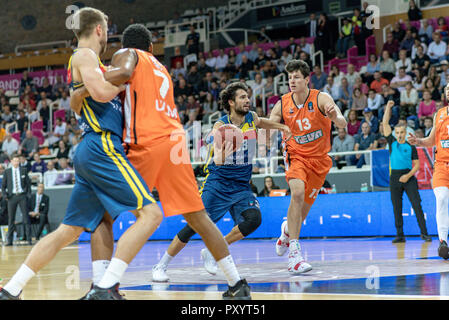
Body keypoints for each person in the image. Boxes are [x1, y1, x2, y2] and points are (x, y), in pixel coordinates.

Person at [69, 23, 252, 300]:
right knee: (198, 217)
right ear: (152, 47)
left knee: (102, 215)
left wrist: (92, 82)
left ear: (126, 46)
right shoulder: (160, 66)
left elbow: (124, 71)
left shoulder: (127, 55)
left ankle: (106, 286)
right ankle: (237, 283)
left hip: (146, 143)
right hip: (175, 144)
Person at [0, 7, 160, 300]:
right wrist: (123, 79)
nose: (108, 33)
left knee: (72, 230)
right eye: (106, 27)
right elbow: (99, 92)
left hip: (91, 149)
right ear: (99, 28)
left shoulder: (94, 63)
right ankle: (104, 287)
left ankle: (11, 288)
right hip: (101, 146)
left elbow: (84, 99)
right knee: (151, 213)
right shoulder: (84, 55)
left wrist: (89, 89)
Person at [151, 82, 290, 281]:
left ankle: (212, 251)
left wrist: (283, 126)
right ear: (231, 102)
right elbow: (217, 160)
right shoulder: (221, 126)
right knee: (194, 226)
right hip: (218, 183)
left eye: (247, 96)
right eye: (242, 97)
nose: (247, 100)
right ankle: (161, 265)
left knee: (253, 220)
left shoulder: (251, 118)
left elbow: (264, 122)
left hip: (241, 186)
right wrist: (226, 146)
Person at [269, 59, 347, 274]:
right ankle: (294, 255)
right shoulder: (282, 103)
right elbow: (270, 124)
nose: (292, 81)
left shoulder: (321, 98)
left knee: (300, 214)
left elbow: (342, 122)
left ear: (306, 79)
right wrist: (267, 135)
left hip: (319, 161)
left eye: (296, 77)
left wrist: (334, 116)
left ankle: (286, 230)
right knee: (297, 193)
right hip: (295, 155)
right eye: (289, 77)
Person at [383, 100, 432, 243]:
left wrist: (407, 176)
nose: (399, 134)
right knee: (396, 207)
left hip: (409, 177)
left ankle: (424, 233)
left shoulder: (411, 146)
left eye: (401, 132)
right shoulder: (391, 142)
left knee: (417, 205)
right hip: (395, 178)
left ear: (406, 133)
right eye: (397, 132)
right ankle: (400, 235)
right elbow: (385, 123)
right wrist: (388, 107)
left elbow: (417, 165)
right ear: (395, 133)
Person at [1, 154, 32, 246]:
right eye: (14, 161)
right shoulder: (7, 172)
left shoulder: (23, 170)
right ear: (11, 162)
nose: (16, 162)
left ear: (19, 162)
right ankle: (9, 241)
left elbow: (28, 184)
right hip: (12, 197)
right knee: (11, 219)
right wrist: (5, 195)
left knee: (26, 218)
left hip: (22, 196)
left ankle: (29, 239)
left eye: (18, 161)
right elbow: (3, 186)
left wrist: (28, 195)